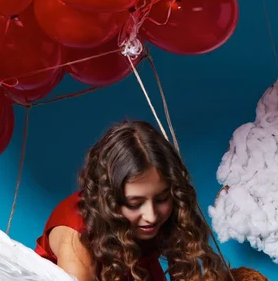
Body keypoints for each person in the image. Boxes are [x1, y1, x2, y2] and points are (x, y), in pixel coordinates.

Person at [35, 119, 228, 281]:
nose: (151, 216)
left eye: (162, 199)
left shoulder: (158, 221)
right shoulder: (76, 235)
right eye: (134, 204)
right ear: (107, 199)